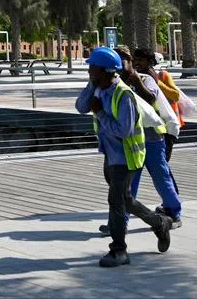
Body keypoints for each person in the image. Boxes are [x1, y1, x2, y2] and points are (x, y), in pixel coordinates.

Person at [75, 46, 173, 267]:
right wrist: (91, 88)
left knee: (116, 201)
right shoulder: (98, 88)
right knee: (126, 200)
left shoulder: (124, 95)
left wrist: (99, 112)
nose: (89, 70)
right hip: (110, 155)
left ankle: (119, 250)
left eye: (92, 68)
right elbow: (81, 107)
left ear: (104, 70)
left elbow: (124, 131)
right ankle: (159, 223)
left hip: (127, 157)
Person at [128, 48, 183, 227]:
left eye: (139, 60)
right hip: (134, 139)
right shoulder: (122, 81)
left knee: (161, 175)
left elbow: (151, 99)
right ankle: (121, 220)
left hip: (155, 137)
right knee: (130, 181)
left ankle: (174, 212)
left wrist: (138, 80)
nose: (136, 63)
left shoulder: (147, 79)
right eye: (133, 60)